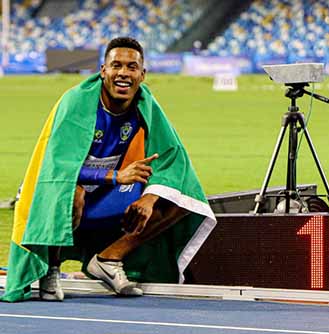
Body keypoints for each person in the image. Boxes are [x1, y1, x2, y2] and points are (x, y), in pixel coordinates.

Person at [2, 37, 216, 302]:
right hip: (52, 191)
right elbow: (58, 169)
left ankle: (108, 258)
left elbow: (173, 160)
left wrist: (150, 197)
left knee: (181, 199)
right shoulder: (76, 102)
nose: (123, 73)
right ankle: (52, 268)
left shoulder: (145, 104)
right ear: (103, 71)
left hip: (104, 192)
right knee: (74, 194)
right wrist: (116, 176)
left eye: (131, 67)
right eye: (116, 66)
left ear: (142, 74)